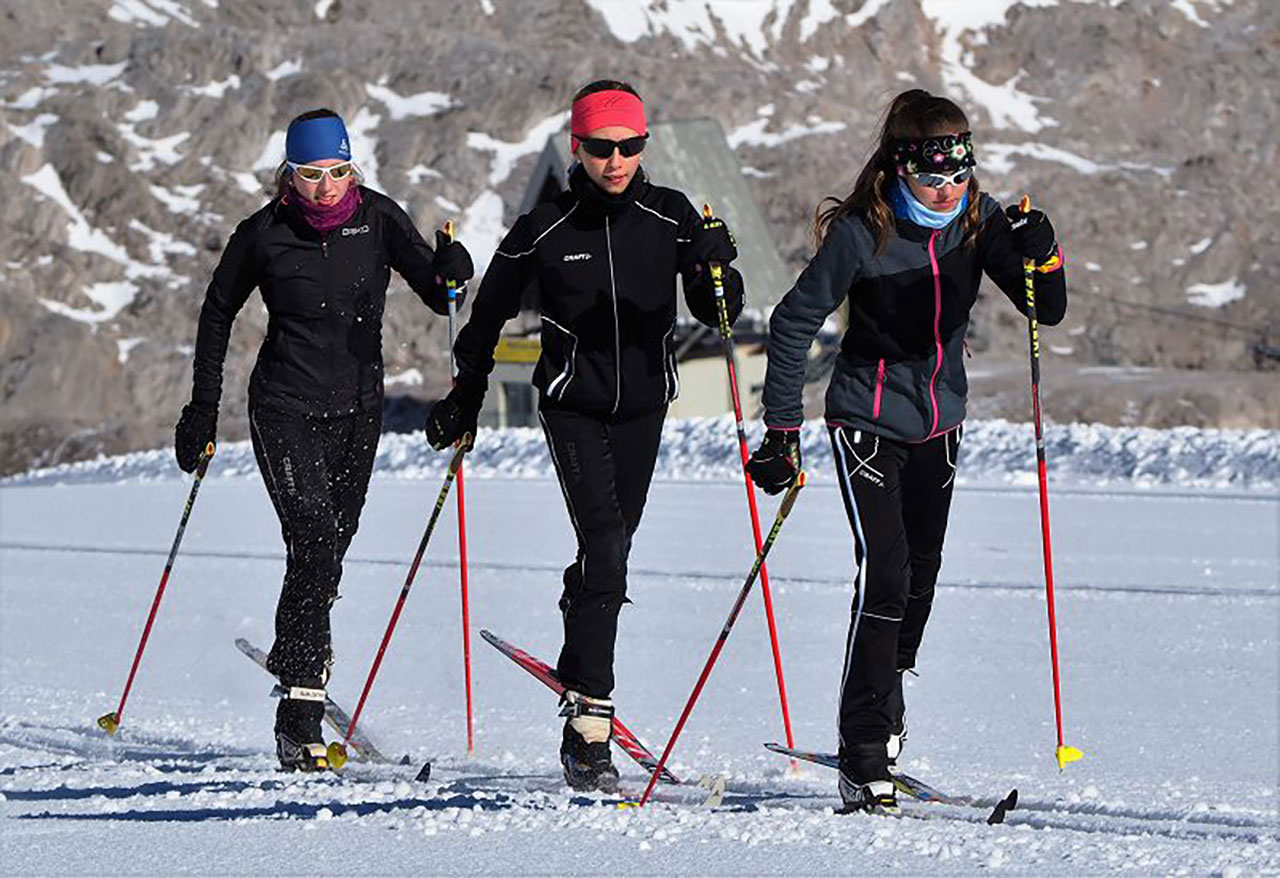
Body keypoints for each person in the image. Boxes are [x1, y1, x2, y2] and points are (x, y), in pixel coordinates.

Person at [747, 89, 1067, 811]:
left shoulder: (976, 222)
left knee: (923, 572)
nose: (948, 190)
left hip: (941, 421)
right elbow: (795, 324)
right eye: (934, 178)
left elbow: (1044, 309)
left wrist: (1043, 257)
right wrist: (781, 431)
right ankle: (863, 748)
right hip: (867, 418)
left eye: (960, 175)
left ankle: (887, 701)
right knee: (885, 572)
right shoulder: (864, 232)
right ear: (900, 169)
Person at [425, 79, 744, 792]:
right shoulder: (544, 227)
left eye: (630, 145)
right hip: (571, 406)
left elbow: (717, 306)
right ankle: (588, 723)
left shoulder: (671, 216)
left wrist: (717, 266)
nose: (617, 159)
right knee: (605, 545)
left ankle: (581, 636)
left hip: (645, 409)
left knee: (609, 553)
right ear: (579, 147)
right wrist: (464, 397)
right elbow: (487, 320)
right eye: (602, 147)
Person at [174, 108, 474, 771]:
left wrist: (454, 266)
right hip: (283, 405)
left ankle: (295, 646)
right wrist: (202, 407)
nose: (327, 187)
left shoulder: (379, 219)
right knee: (311, 539)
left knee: (332, 545)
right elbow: (218, 310)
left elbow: (437, 289)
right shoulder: (264, 233)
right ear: (290, 174)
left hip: (359, 409)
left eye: (339, 172)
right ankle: (300, 709)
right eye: (312, 175)